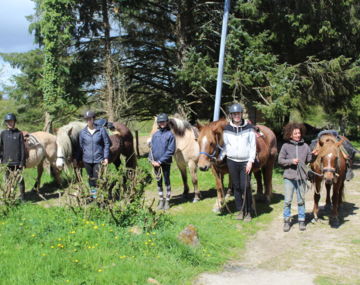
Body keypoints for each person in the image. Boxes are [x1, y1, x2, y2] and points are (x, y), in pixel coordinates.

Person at [222, 103, 256, 222]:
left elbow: (253, 146)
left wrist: (250, 161)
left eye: (239, 113)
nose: (237, 116)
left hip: (245, 162)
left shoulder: (249, 128)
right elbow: (226, 146)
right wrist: (220, 157)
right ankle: (240, 211)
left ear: (242, 114)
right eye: (234, 114)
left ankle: (248, 212)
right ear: (231, 115)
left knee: (245, 186)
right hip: (232, 161)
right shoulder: (226, 129)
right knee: (236, 187)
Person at [278, 123, 312, 232]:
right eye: (295, 133)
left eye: (299, 133)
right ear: (290, 135)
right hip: (289, 178)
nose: (298, 135)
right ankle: (287, 221)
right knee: (287, 201)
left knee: (301, 200)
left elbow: (309, 159)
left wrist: (313, 154)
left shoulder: (305, 146)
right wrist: (291, 161)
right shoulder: (285, 146)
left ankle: (301, 220)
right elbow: (280, 160)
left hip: (302, 178)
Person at [79, 111, 111, 198]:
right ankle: (94, 196)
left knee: (98, 178)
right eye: (87, 119)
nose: (88, 121)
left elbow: (107, 144)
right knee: (91, 178)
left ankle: (100, 196)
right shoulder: (82, 132)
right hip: (87, 160)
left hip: (98, 159)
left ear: (93, 119)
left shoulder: (101, 130)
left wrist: (106, 157)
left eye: (90, 119)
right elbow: (81, 146)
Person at [149, 113, 175, 210]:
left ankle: (167, 201)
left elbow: (170, 150)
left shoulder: (170, 135)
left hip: (165, 162)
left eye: (163, 122)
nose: (162, 123)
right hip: (155, 163)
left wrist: (160, 161)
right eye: (160, 122)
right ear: (158, 123)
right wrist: (151, 159)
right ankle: (161, 199)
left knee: (167, 181)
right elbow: (151, 148)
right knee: (158, 181)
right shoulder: (155, 135)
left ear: (167, 122)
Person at [0, 113, 26, 200]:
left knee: (20, 180)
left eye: (11, 121)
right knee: (7, 180)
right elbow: (1, 148)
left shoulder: (19, 134)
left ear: (14, 122)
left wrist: (22, 162)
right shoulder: (3, 134)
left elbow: (22, 149)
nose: (9, 123)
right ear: (6, 123)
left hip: (17, 162)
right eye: (8, 122)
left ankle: (22, 197)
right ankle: (9, 196)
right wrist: (1, 160)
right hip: (6, 162)